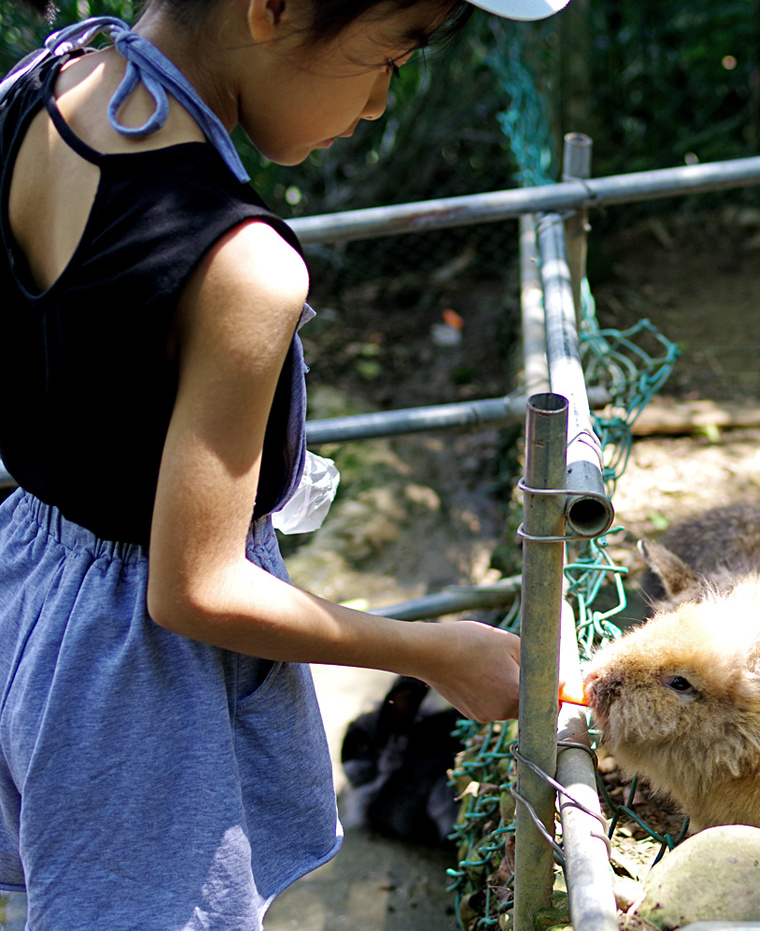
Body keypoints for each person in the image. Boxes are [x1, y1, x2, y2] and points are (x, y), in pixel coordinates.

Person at [0, 0, 568, 925]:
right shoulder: (246, 268)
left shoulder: (49, 90)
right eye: (391, 54)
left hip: (30, 589)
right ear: (274, 10)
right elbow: (196, 590)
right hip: (142, 693)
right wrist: (435, 652)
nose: (383, 101)